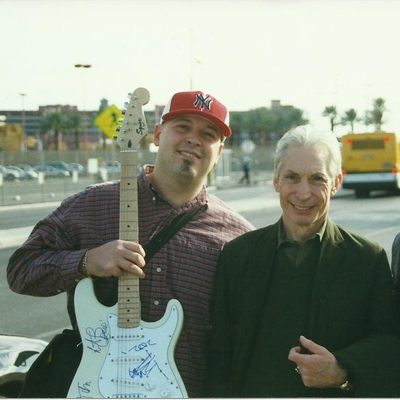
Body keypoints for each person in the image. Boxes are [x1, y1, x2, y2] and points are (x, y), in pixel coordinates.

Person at [7, 90, 254, 397]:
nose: (193, 139)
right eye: (182, 127)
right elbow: (20, 270)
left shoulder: (237, 235)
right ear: (157, 135)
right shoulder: (92, 204)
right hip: (93, 388)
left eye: (208, 133)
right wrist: (87, 262)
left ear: (219, 151)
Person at [205, 125, 400, 397]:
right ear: (276, 180)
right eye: (292, 177)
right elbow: (217, 354)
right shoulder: (238, 255)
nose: (303, 193)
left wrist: (341, 369)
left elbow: (389, 344)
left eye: (317, 179)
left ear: (336, 183)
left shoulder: (368, 259)